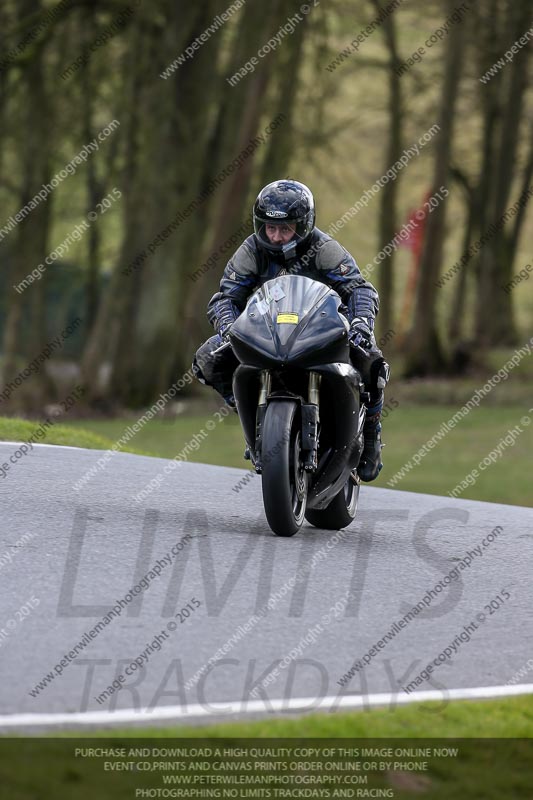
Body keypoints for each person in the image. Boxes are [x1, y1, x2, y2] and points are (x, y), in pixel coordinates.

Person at [193, 179, 389, 482]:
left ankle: (373, 435)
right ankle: (254, 418)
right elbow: (225, 298)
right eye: (270, 228)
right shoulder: (250, 251)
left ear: (304, 225)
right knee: (208, 358)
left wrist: (361, 322)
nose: (276, 236)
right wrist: (229, 328)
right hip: (266, 333)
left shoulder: (323, 248)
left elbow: (360, 289)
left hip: (321, 330)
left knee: (372, 361)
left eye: (285, 228)